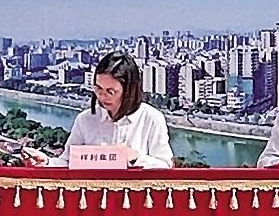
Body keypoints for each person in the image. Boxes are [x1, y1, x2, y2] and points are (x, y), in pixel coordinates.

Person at [23, 51, 174, 169]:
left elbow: (166, 165)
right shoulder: (85, 120)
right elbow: (67, 162)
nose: (102, 96)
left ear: (129, 90)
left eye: (110, 91)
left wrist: (135, 158)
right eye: (98, 88)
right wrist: (47, 162)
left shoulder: (151, 119)